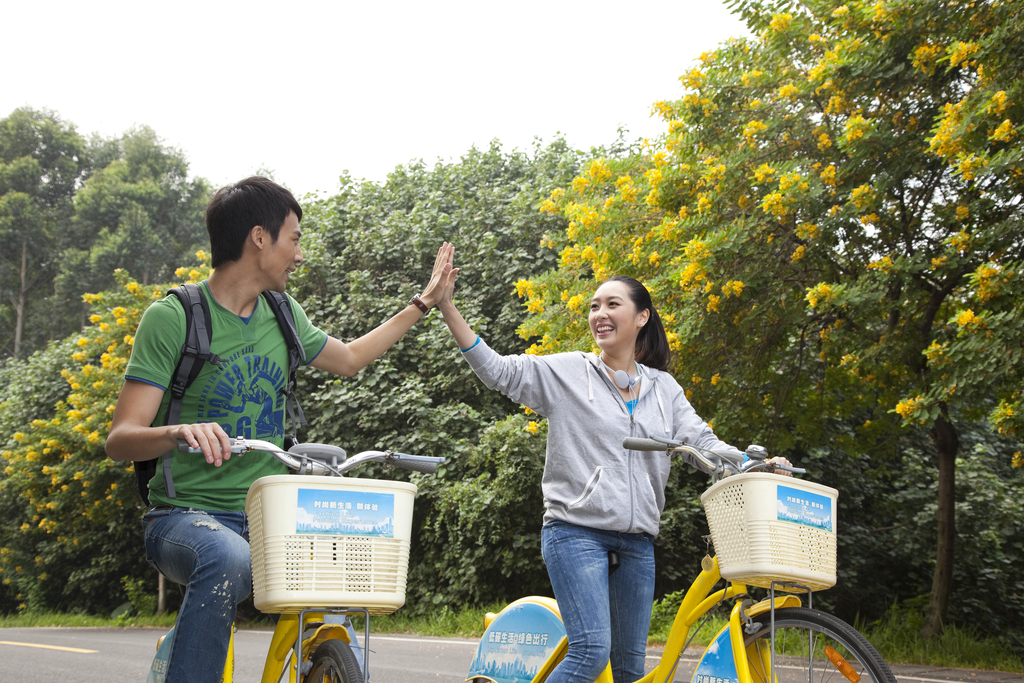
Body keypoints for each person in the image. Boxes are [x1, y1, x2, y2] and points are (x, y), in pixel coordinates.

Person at [105, 176, 455, 683]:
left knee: (345, 560)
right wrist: (177, 431)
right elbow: (121, 439)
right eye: (294, 238)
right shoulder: (174, 318)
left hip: (268, 515)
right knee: (226, 558)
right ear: (259, 238)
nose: (298, 253)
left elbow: (352, 359)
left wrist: (423, 303)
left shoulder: (283, 314)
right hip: (185, 517)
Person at [437, 269, 789, 683]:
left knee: (627, 672)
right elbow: (499, 372)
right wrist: (446, 306)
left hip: (638, 543)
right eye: (594, 306)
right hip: (575, 533)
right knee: (590, 652)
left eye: (612, 304)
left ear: (642, 317)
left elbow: (701, 442)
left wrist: (749, 464)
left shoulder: (665, 389)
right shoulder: (569, 372)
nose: (599, 313)